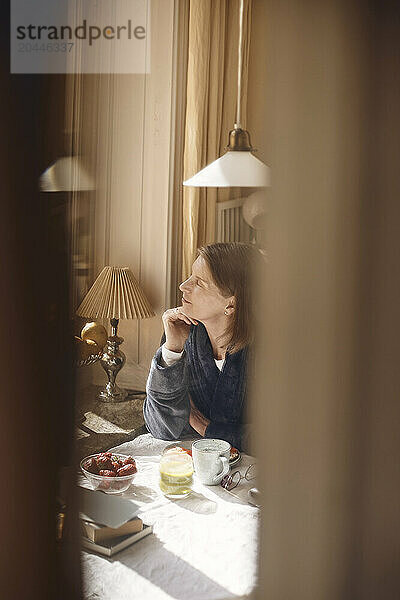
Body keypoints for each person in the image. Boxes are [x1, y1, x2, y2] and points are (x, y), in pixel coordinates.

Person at [143, 242, 261, 452]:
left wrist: (206, 428)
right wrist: (171, 352)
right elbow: (161, 429)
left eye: (199, 283)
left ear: (231, 305)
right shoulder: (182, 334)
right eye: (190, 276)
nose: (183, 286)